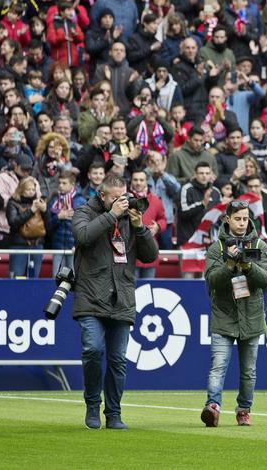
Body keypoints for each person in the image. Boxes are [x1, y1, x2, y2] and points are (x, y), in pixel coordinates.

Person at [71, 173, 159, 430]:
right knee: (93, 349)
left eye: (124, 196)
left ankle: (114, 413)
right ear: (102, 195)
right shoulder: (84, 211)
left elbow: (151, 256)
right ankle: (91, 405)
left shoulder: (130, 217)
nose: (122, 201)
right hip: (90, 294)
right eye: (115, 198)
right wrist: (111, 215)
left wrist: (140, 227)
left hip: (121, 296)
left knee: (118, 359)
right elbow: (82, 235)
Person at [201, 199, 267, 428]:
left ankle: (244, 410)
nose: (242, 223)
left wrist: (248, 267)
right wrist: (230, 265)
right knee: (218, 366)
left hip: (251, 316)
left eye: (245, 219)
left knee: (248, 371)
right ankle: (213, 407)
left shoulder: (260, 246)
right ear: (227, 220)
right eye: (238, 219)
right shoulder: (216, 248)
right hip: (224, 315)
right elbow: (212, 280)